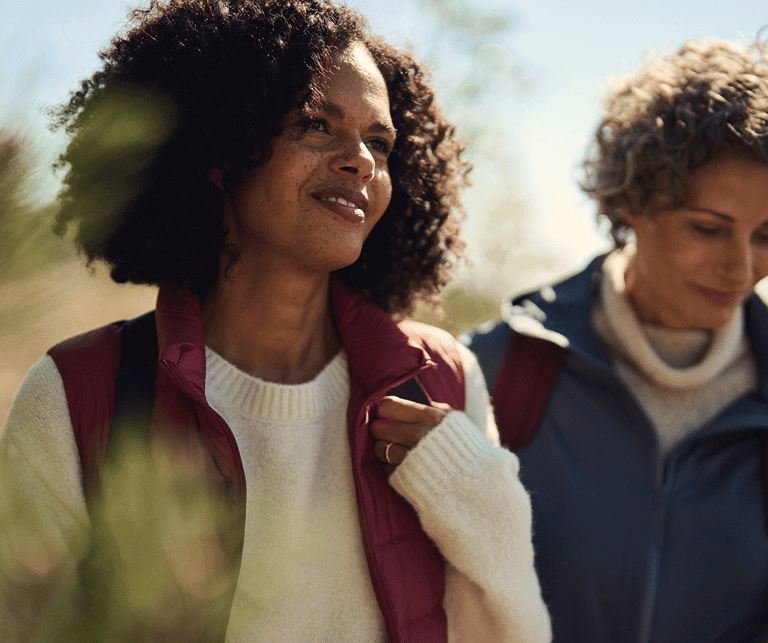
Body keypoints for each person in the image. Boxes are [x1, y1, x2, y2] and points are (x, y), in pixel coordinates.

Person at [0, 1, 551, 642]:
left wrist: (483, 497)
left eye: (380, 142)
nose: (362, 163)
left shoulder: (440, 380)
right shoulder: (78, 392)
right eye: (317, 124)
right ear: (219, 147)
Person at [465, 39, 768, 643]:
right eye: (708, 229)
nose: (741, 267)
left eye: (766, 235)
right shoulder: (502, 366)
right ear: (632, 201)